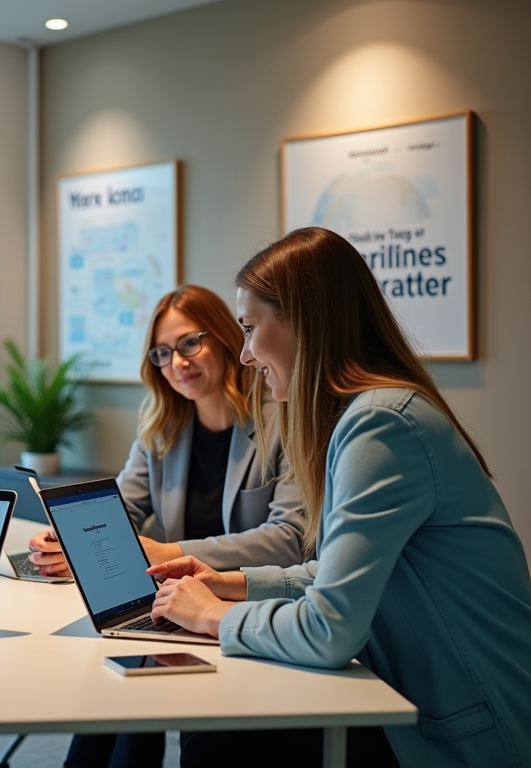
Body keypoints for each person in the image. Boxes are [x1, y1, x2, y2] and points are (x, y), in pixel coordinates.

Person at [148, 227, 531, 768]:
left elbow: (329, 629)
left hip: (465, 730)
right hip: (412, 692)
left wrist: (212, 615)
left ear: (305, 321)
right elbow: (332, 574)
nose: (247, 353)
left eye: (252, 328)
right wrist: (225, 583)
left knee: (221, 739)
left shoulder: (381, 424)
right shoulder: (374, 413)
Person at [27, 285, 307, 768]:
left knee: (130, 688)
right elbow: (121, 511)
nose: (177, 362)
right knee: (111, 691)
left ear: (223, 339)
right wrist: (66, 538)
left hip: (245, 608)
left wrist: (168, 550)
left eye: (189, 343)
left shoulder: (282, 421)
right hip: (173, 606)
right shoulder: (161, 428)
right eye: (162, 352)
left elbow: (289, 538)